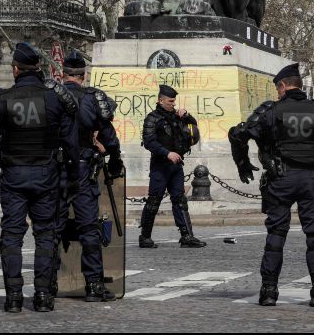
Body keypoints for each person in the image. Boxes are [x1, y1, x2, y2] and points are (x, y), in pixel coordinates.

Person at [229, 63, 314, 308]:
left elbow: (238, 134)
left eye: (277, 89)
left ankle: (269, 291)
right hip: (312, 180)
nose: (277, 93)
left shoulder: (271, 110)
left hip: (280, 179)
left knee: (276, 235)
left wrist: (242, 163)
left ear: (283, 86)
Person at [0, 42, 79, 313]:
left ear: (15, 69)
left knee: (11, 235)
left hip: (13, 174)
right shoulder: (54, 99)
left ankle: (14, 297)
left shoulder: (1, 99)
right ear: (39, 68)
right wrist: (73, 177)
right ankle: (43, 295)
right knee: (45, 235)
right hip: (46, 174)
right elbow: (71, 144)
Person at [59, 51, 123, 302]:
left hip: (55, 170)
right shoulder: (93, 98)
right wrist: (115, 157)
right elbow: (108, 135)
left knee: (51, 228)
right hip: (84, 169)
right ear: (83, 76)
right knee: (89, 229)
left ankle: (46, 287)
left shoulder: (51, 96)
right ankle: (94, 285)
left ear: (63, 73)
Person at [138, 85, 206, 249]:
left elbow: (194, 128)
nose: (173, 104)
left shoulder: (177, 117)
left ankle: (187, 236)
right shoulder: (152, 118)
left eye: (174, 101)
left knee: (180, 200)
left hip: (176, 165)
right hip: (160, 166)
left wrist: (187, 115)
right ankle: (145, 237)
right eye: (170, 101)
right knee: (154, 201)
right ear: (161, 100)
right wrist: (167, 153)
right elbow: (149, 142)